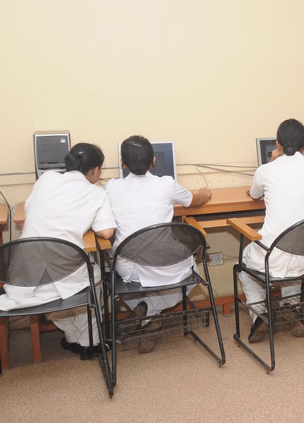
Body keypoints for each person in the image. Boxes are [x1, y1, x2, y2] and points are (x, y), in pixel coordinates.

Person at [0, 143, 115, 360]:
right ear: (95, 170)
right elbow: (107, 232)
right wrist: (85, 222)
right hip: (65, 274)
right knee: (95, 279)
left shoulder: (47, 179)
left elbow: (30, 209)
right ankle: (89, 342)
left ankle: (72, 337)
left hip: (26, 277)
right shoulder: (96, 193)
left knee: (61, 290)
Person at [105, 135, 212, 353]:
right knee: (192, 272)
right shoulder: (166, 184)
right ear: (153, 160)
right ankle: (152, 315)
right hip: (167, 265)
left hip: (130, 268)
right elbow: (194, 201)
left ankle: (145, 311)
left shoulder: (111, 188)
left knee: (111, 268)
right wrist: (204, 193)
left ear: (122, 163)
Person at [240, 119, 304, 342]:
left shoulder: (265, 170)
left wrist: (272, 161)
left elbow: (253, 194)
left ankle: (260, 315)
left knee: (245, 260)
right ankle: (292, 309)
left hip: (274, 258)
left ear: (277, 144)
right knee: (296, 245)